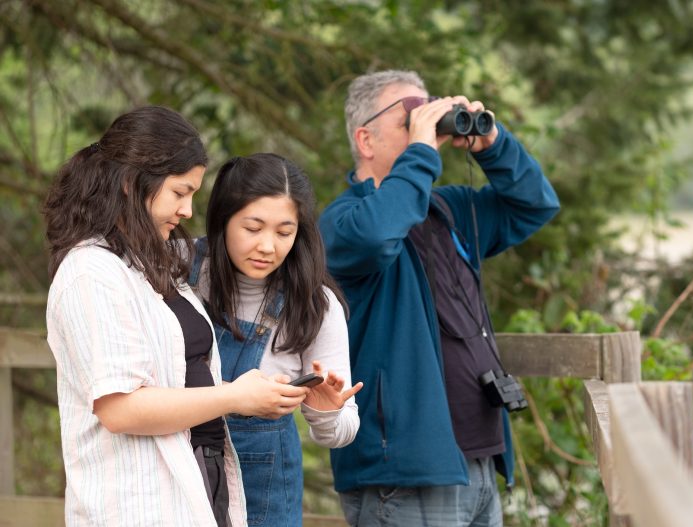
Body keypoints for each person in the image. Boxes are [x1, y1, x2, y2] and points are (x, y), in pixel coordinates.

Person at [44, 106, 310, 527]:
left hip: (201, 487)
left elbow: (172, 380)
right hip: (137, 505)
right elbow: (121, 408)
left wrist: (254, 393)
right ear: (133, 183)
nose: (188, 210)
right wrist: (235, 396)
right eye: (179, 192)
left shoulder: (153, 263)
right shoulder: (90, 273)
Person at [319, 70, 560, 526]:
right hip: (405, 476)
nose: (425, 126)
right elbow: (377, 235)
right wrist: (422, 153)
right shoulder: (342, 224)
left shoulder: (446, 210)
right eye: (411, 118)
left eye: (429, 113)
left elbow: (535, 205)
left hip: (479, 459)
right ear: (365, 140)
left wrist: (494, 145)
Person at [189, 153, 362, 526]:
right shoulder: (176, 269)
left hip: (263, 496)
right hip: (178, 476)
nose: (268, 247)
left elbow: (343, 430)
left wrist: (326, 410)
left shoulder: (314, 304)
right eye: (253, 228)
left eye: (284, 232)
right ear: (222, 220)